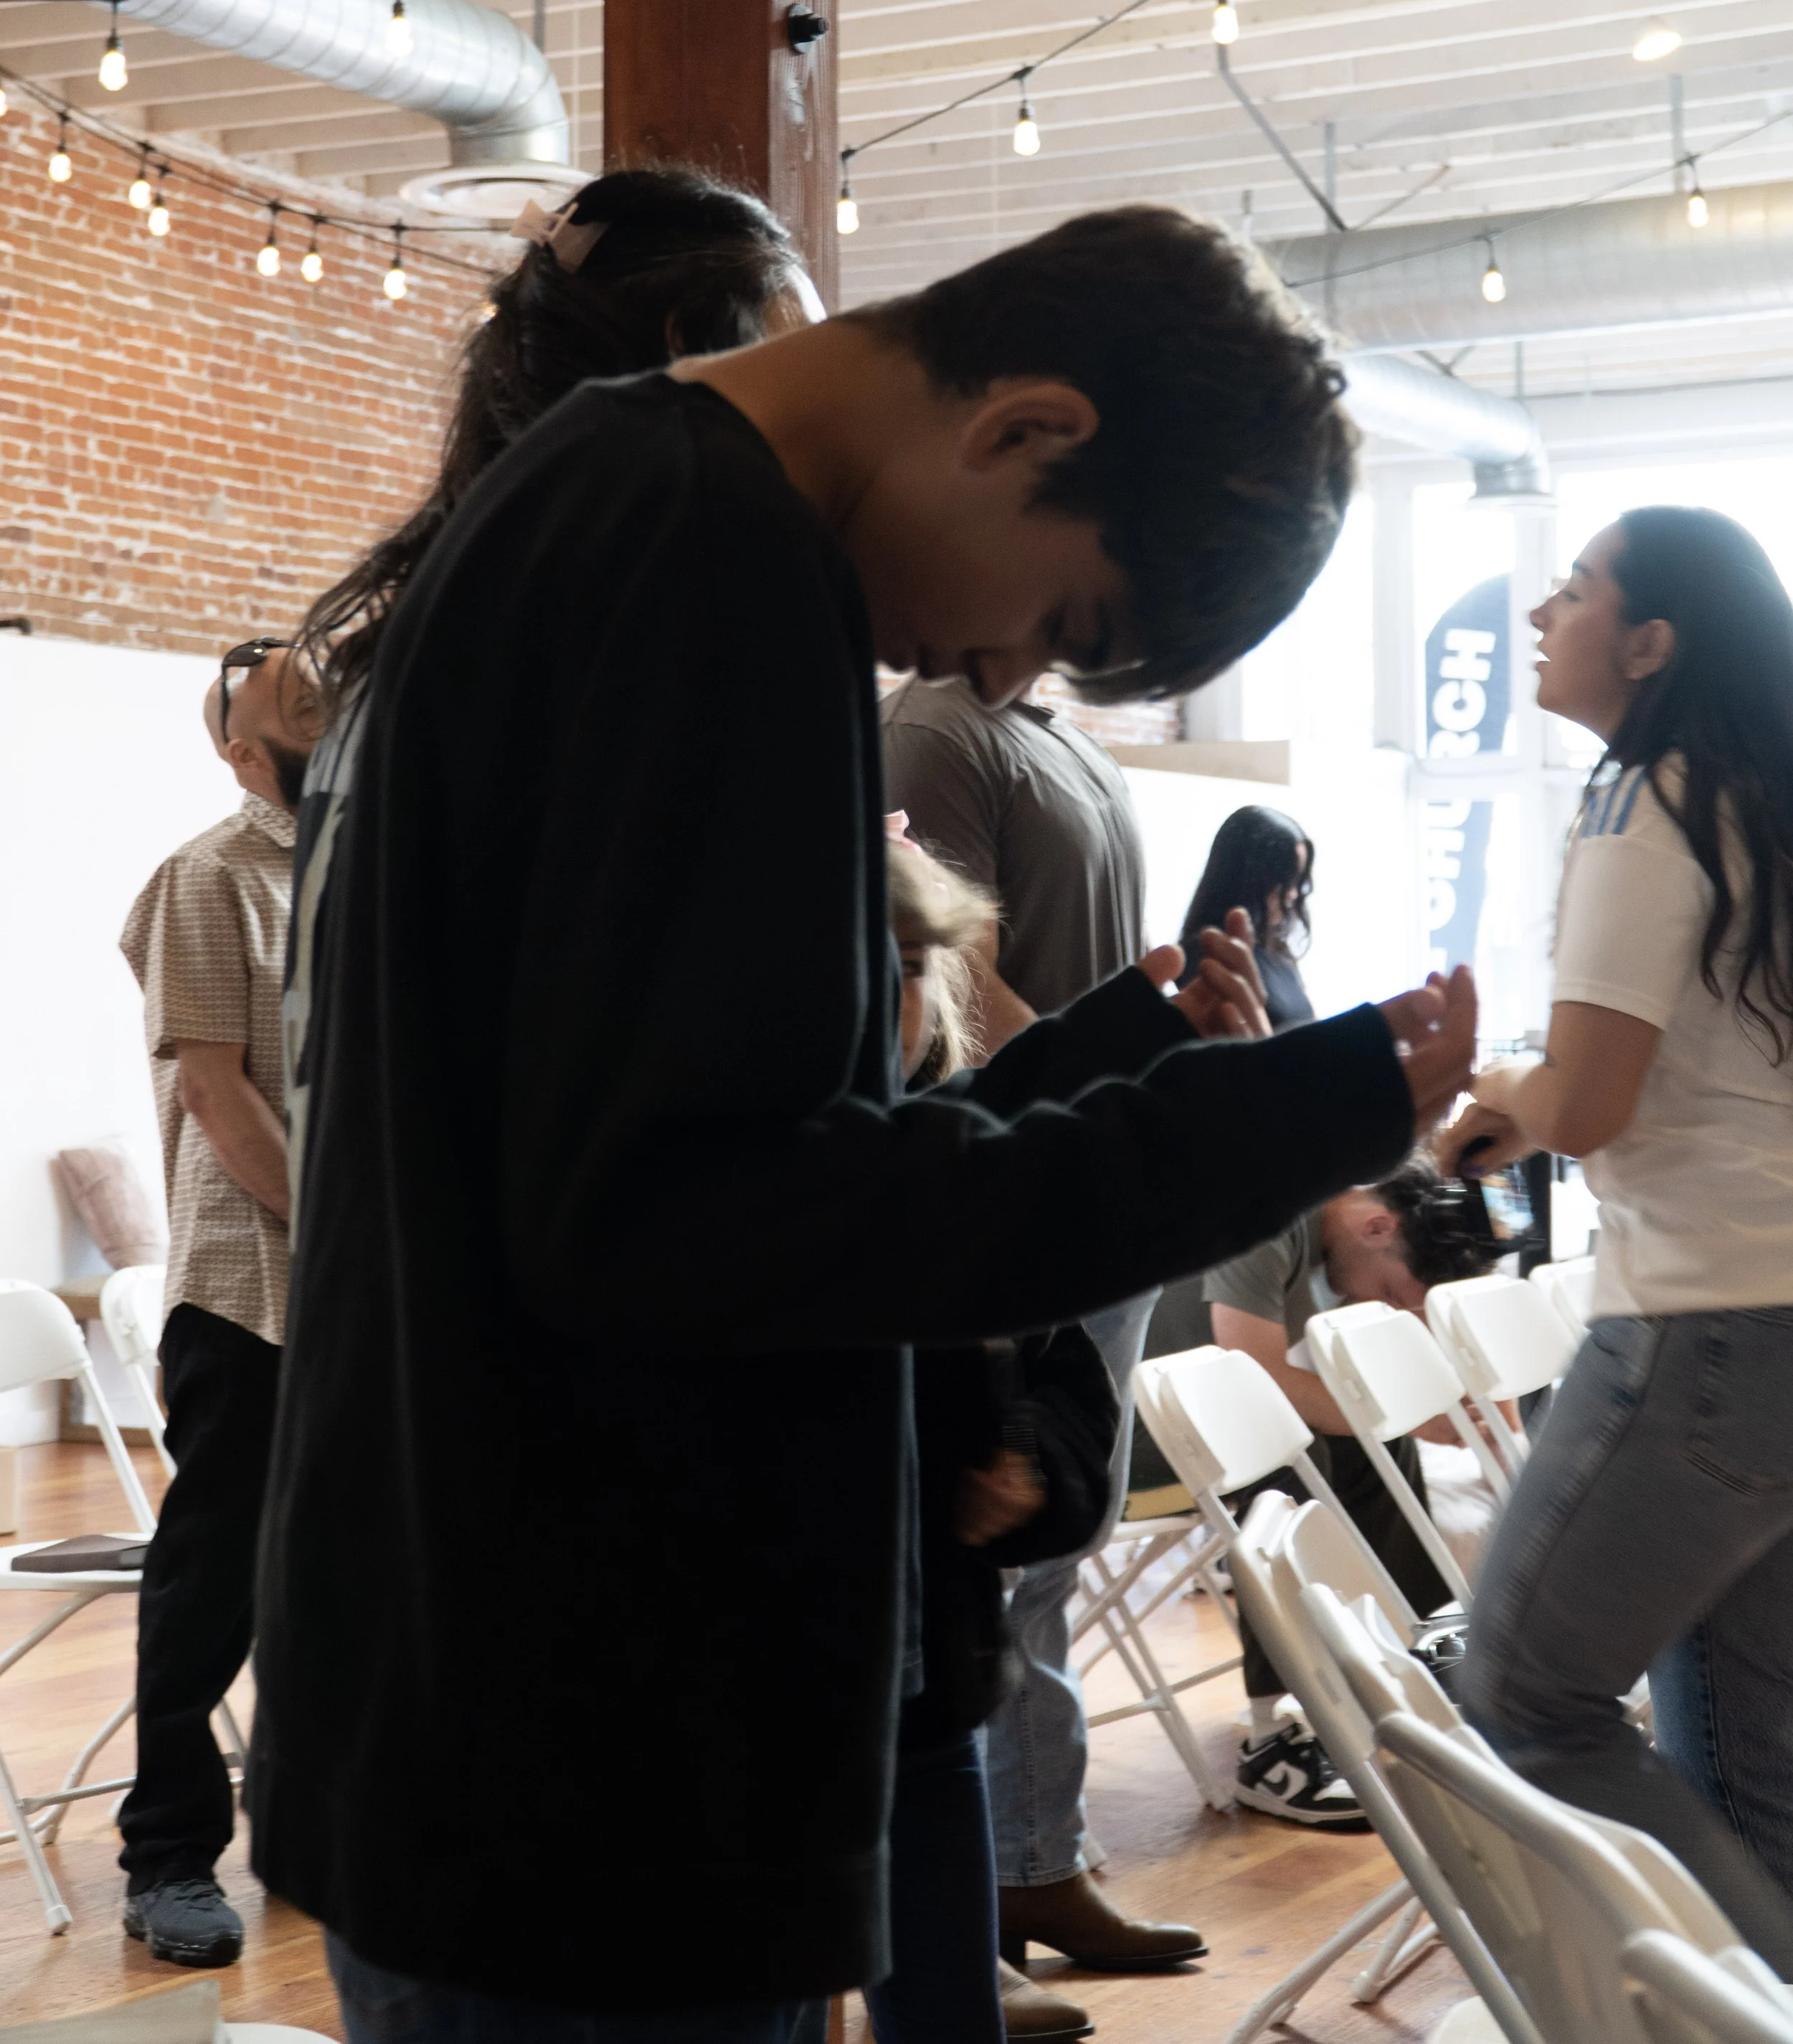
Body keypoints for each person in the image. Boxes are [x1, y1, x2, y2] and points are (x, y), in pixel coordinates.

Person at [250, 202, 1477, 2044]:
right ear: (1027, 427)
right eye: (1061, 619)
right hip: (589, 1751)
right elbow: (715, 1209)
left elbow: (706, 1141)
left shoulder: (618, 506)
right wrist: (1272, 1114)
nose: (994, 670)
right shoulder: (703, 550)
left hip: (522, 1715)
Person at [284, 166, 818, 1205]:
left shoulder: (447, 622)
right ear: (684, 346)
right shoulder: (602, 645)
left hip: (401, 1300)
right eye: (795, 350)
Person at [1439, 507, 1793, 1975]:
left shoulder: (1641, 803)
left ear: (1649, 644)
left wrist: (1492, 1095)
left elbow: (1583, 1104)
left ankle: (1730, 1998)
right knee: (1743, 1745)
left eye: (1573, 589)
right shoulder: (1752, 800)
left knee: (1521, 1699)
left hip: (1699, 1327)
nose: (1538, 609)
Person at [882, 676, 1209, 1989]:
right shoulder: (936, 729)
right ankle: (973, 1911)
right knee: (992, 1548)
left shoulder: (1065, 742)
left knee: (1050, 1542)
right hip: (1029, 1165)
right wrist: (1092, 1129)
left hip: (1075, 1162)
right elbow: (955, 956)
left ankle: (1030, 1863)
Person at [115, 643, 318, 1968]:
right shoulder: (209, 875)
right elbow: (215, 1088)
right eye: (294, 700)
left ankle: (308, 1831)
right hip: (252, 1286)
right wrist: (347, 1231)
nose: (325, 706)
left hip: (365, 1291)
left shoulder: (362, 866)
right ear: (241, 750)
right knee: (214, 1578)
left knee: (344, 1573)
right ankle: (168, 1854)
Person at [1203, 1165, 1506, 1822]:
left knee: (1368, 1437)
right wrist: (1405, 1414)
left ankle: (1412, 1667)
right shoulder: (1272, 1211)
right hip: (1146, 1430)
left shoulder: (1333, 1239)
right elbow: (1247, 1372)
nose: (1394, 1309)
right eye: (1397, 1293)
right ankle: (1272, 1741)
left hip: (1212, 1416)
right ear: (1377, 1227)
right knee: (1292, 1447)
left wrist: (1432, 1405)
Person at [1178, 806, 1315, 1030]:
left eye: (1298, 881)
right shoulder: (1208, 956)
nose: (1293, 894)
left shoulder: (1278, 953)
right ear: (1252, 878)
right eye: (1287, 880)